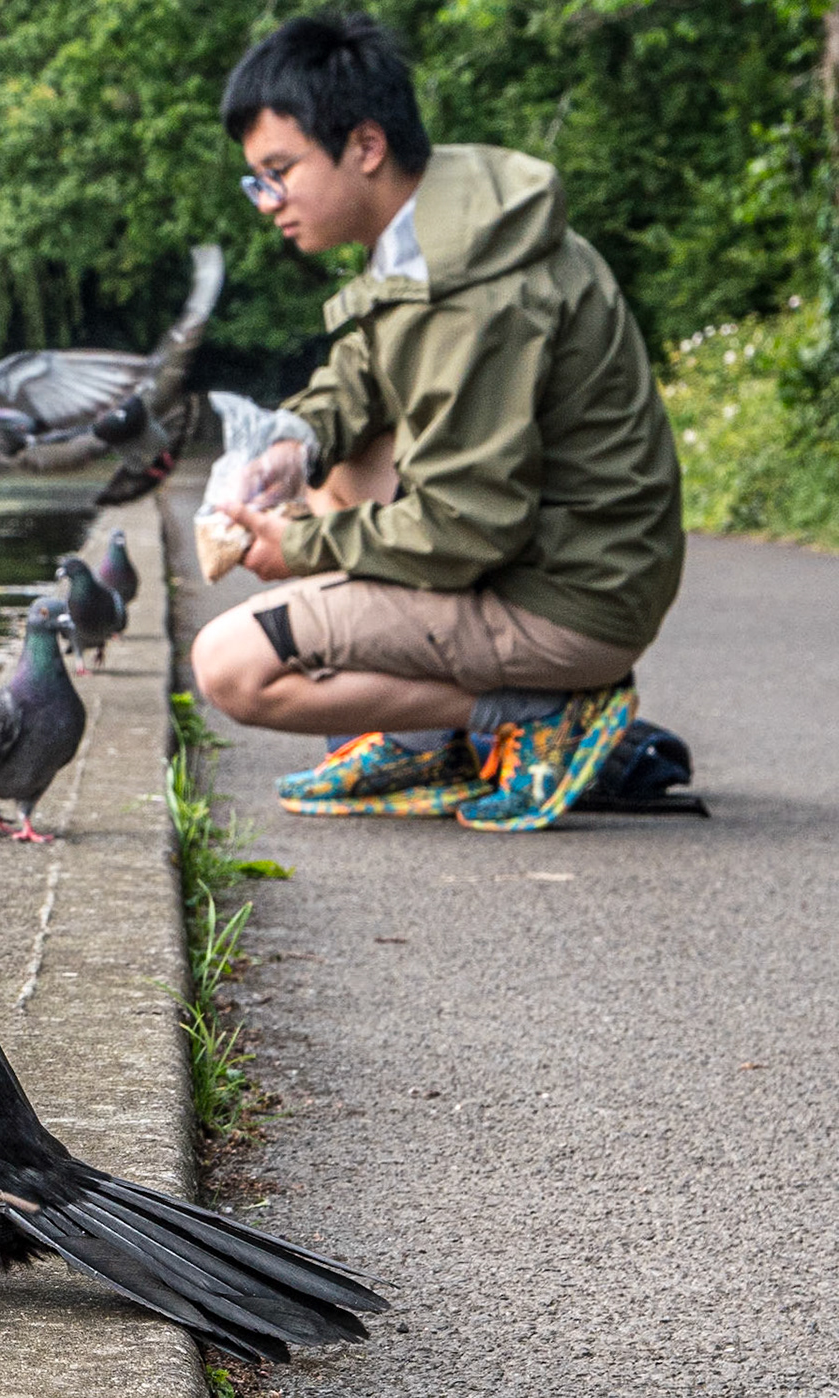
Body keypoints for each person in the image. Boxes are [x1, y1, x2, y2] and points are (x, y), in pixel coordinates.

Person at [188, 11, 684, 832]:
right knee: (330, 462)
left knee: (232, 666)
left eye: (278, 172)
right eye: (256, 180)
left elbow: (464, 530)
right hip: (567, 560)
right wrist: (293, 444)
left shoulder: (475, 293)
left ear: (366, 146)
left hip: (570, 601)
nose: (266, 202)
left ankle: (533, 713)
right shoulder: (441, 226)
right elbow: (363, 376)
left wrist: (296, 549)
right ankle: (430, 734)